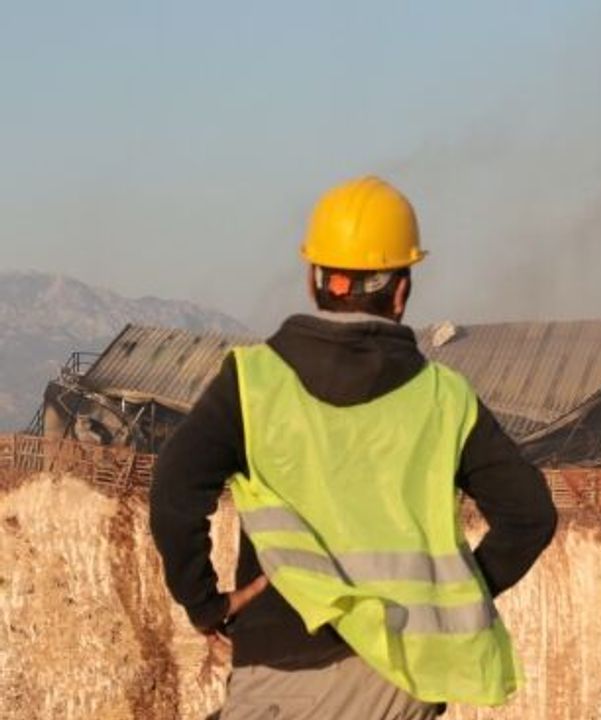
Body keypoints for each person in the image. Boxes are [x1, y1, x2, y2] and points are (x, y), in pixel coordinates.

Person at [150, 176, 557, 719]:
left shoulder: (253, 383)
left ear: (313, 279)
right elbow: (530, 516)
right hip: (403, 677)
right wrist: (446, 601)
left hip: (285, 667)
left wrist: (203, 602)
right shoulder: (444, 397)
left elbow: (174, 489)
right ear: (401, 289)